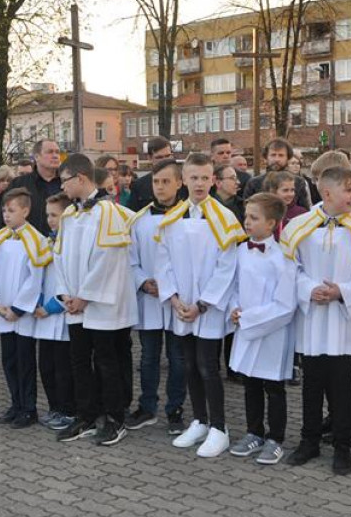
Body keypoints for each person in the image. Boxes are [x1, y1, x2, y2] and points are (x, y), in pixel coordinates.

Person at [282, 166, 351, 475]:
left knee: (342, 385)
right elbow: (290, 268)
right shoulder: (300, 225)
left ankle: (343, 445)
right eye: (349, 191)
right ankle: (309, 440)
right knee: (312, 383)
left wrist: (341, 291)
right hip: (312, 317)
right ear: (326, 193)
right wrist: (308, 290)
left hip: (342, 319)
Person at [156, 153, 245, 458]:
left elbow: (227, 266)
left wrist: (203, 304)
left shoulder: (225, 218)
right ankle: (200, 420)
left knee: (209, 367)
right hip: (182, 306)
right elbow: (163, 260)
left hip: (208, 308)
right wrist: (175, 298)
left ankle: (220, 428)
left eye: (205, 178)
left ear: (213, 180)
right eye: (193, 177)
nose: (199, 183)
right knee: (188, 364)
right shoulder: (173, 217)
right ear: (183, 180)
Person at [53, 153, 137, 447]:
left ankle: (115, 418)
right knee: (79, 361)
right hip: (74, 303)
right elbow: (58, 256)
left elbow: (108, 260)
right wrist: (65, 293)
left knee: (106, 361)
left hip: (100, 304)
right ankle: (86, 414)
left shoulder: (108, 212)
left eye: (64, 181)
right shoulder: (68, 215)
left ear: (80, 179)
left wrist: (85, 297)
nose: (61, 186)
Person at [227, 193, 297, 465]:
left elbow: (285, 305)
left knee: (274, 387)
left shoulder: (283, 258)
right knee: (250, 384)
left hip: (272, 334)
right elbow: (234, 286)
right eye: (246, 216)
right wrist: (234, 308)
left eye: (254, 218)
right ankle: (253, 431)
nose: (247, 222)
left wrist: (249, 317)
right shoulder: (240, 251)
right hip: (245, 328)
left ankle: (275, 438)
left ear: (271, 224)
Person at [125, 159, 187, 435]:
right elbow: (131, 258)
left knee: (177, 358)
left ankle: (175, 410)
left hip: (177, 302)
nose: (160, 187)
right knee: (148, 357)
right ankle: (147, 407)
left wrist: (174, 288)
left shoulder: (189, 218)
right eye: (156, 182)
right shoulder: (139, 220)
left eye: (166, 181)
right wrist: (142, 282)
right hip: (150, 299)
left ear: (179, 183)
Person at [0, 187, 51, 428]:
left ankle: (29, 408)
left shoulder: (36, 240)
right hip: (4, 312)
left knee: (25, 362)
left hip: (22, 315)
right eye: (4, 209)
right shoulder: (0, 238)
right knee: (9, 361)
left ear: (26, 210)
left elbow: (35, 278)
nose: (6, 214)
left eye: (11, 210)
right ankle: (15, 403)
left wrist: (18, 308)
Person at [34, 193, 76, 431]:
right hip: (44, 318)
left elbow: (69, 282)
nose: (50, 220)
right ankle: (54, 408)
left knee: (63, 369)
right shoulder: (47, 242)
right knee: (46, 367)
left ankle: (69, 410)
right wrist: (38, 302)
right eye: (48, 215)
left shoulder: (70, 245)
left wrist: (50, 306)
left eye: (55, 215)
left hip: (61, 316)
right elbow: (40, 276)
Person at [0, 139, 63, 235]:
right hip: (27, 244)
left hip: (61, 243)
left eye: (57, 152)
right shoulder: (19, 184)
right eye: (50, 152)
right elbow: (4, 215)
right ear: (37, 157)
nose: (55, 156)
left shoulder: (67, 183)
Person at [243, 139, 312, 210]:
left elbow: (304, 211)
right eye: (273, 155)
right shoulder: (254, 183)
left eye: (281, 155)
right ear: (265, 158)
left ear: (288, 158)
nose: (277, 159)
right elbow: (247, 211)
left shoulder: (298, 182)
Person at [127, 136, 176, 211]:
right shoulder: (138, 186)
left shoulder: (184, 183)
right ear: (149, 158)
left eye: (167, 156)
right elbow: (132, 216)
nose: (164, 160)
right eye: (159, 157)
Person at [264, 171, 307, 239]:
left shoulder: (301, 212)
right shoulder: (264, 211)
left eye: (292, 190)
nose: (290, 194)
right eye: (285, 190)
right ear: (273, 191)